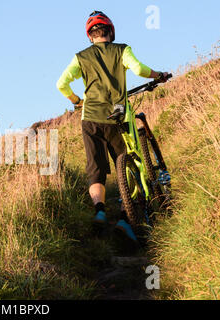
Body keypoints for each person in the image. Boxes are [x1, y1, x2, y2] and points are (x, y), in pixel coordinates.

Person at [56, 11, 169, 242]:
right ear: (111, 32)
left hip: (90, 118)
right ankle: (125, 218)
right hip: (117, 115)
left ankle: (99, 210)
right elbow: (139, 70)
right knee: (127, 162)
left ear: (90, 36)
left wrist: (77, 101)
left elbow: (61, 84)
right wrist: (158, 76)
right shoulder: (122, 50)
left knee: (95, 169)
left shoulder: (81, 57)